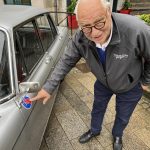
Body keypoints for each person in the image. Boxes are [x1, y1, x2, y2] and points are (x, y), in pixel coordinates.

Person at [31, 0, 150, 149]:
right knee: (97, 108)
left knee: (123, 114)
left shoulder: (137, 30)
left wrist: (145, 80)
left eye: (99, 23)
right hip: (102, 82)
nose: (94, 33)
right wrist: (48, 87)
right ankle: (94, 130)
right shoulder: (81, 37)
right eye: (86, 27)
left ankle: (117, 135)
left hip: (130, 85)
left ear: (108, 12)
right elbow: (66, 61)